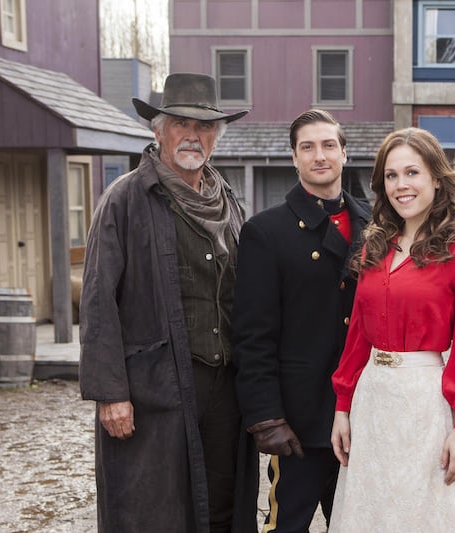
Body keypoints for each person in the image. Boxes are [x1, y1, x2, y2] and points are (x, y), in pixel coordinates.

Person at [79, 72, 257, 533]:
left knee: (221, 505)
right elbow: (98, 300)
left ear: (216, 137)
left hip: (224, 386)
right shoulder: (124, 199)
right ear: (158, 131)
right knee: (155, 510)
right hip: (153, 386)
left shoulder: (228, 202)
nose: (193, 135)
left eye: (205, 126)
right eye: (181, 123)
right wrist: (110, 393)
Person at [328, 127, 455, 533]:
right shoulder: (374, 248)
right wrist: (343, 406)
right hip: (373, 402)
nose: (401, 185)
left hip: (426, 405)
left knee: (424, 514)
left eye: (412, 173)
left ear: (436, 178)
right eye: (391, 175)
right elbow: (358, 336)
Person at [232, 109, 371, 532]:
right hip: (299, 420)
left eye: (329, 145)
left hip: (365, 410)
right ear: (294, 158)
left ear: (344, 153)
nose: (319, 155)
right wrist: (266, 416)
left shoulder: (377, 224)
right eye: (307, 147)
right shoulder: (265, 232)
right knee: (286, 525)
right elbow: (253, 335)